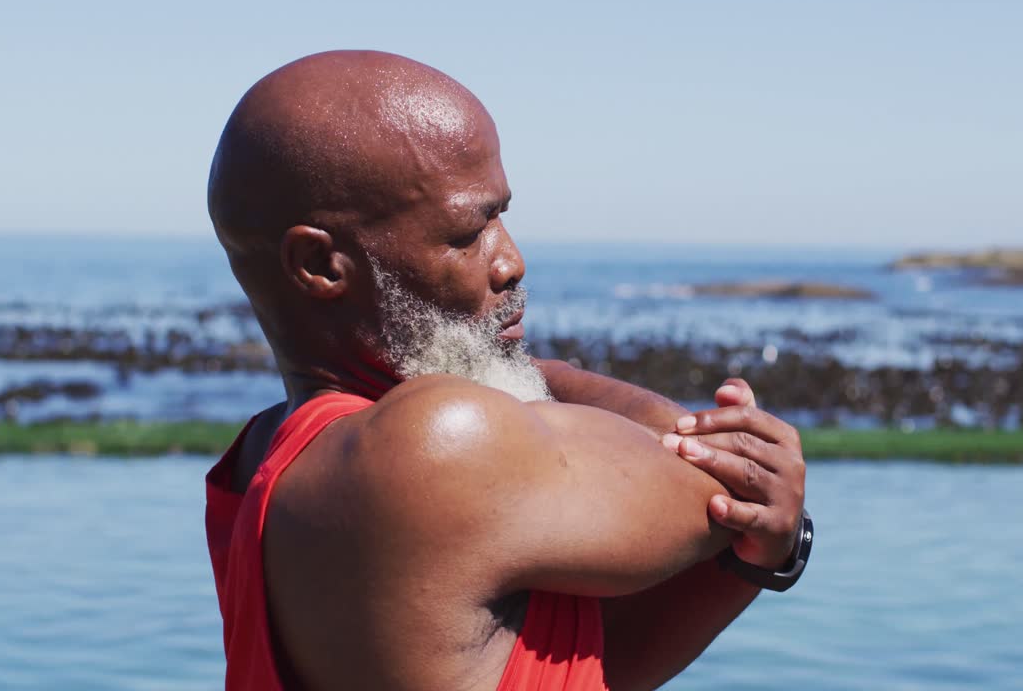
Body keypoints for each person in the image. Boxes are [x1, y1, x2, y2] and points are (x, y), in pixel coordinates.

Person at [204, 50, 808, 691]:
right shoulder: (435, 444)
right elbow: (719, 478)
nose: (510, 262)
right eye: (470, 230)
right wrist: (507, 362)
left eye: (503, 217)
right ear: (322, 266)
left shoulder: (256, 466)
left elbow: (581, 666)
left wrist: (766, 558)